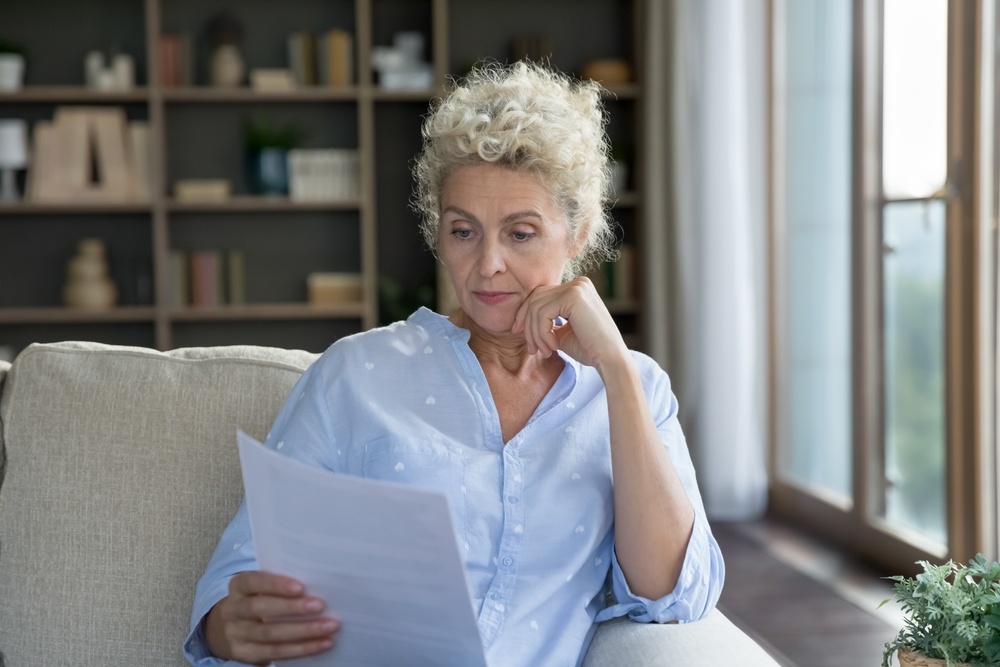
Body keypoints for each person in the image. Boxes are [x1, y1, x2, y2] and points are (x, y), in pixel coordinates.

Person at [184, 61, 724, 667]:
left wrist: (617, 370)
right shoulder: (354, 375)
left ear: (579, 233)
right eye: (464, 231)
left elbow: (669, 591)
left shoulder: (635, 389)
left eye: (520, 234)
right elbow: (236, 583)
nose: (488, 264)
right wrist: (234, 625)